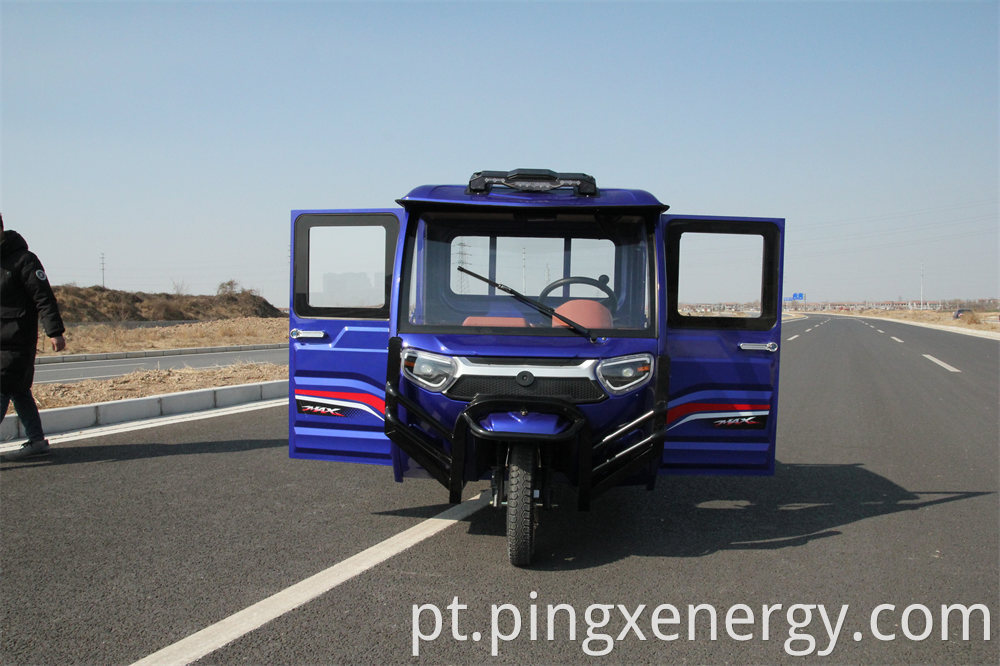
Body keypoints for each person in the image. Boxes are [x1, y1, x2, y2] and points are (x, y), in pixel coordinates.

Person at [1, 213, 67, 461]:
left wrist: (55, 332)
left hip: (17, 338)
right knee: (19, 390)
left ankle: (37, 441)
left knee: (2, 385)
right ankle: (37, 441)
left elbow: (44, 297)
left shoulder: (25, 260)